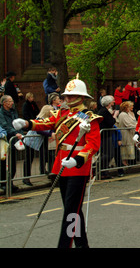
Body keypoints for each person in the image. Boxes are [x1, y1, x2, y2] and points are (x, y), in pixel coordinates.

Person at [12, 75, 102, 248]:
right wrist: (26, 123)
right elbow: (45, 123)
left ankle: (64, 245)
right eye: (67, 95)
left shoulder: (89, 118)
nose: (68, 98)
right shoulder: (61, 113)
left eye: (72, 95)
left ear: (81, 97)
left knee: (70, 211)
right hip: (61, 163)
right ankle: (82, 244)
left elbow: (93, 145)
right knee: (73, 209)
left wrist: (76, 160)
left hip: (77, 167)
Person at [0, 95, 24, 192]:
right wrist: (15, 133)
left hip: (14, 140)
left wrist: (20, 133)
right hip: (5, 140)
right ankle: (3, 183)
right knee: (3, 163)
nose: (12, 103)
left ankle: (10, 181)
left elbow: (16, 124)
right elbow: (4, 126)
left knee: (13, 162)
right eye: (10, 101)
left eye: (12, 101)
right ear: (4, 103)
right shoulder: (1, 113)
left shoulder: (14, 111)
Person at [97, 95, 117, 179]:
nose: (113, 103)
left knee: (107, 153)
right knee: (109, 154)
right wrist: (115, 116)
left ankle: (104, 172)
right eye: (112, 102)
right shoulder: (104, 111)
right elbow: (110, 122)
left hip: (106, 135)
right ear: (108, 103)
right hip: (105, 135)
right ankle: (98, 167)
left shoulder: (104, 111)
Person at [117, 101, 137, 166]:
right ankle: (124, 162)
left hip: (127, 134)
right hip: (125, 135)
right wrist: (137, 126)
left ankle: (126, 162)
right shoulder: (123, 114)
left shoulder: (125, 114)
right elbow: (128, 124)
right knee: (125, 149)